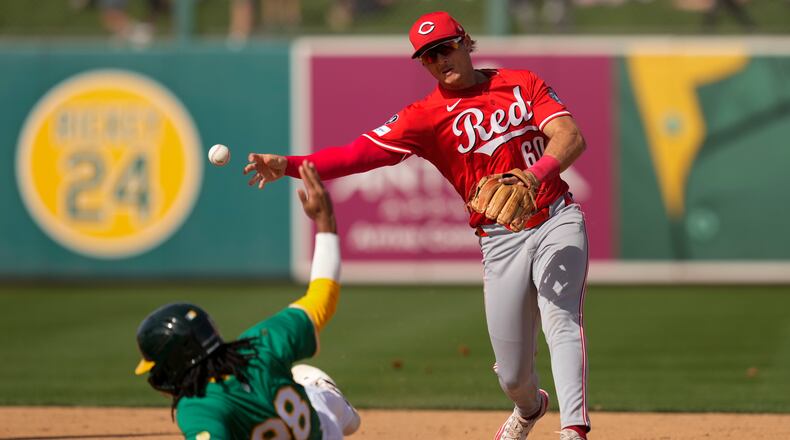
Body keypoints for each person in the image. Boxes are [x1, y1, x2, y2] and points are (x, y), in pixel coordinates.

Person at [243, 10, 591, 440]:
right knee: (513, 376)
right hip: (499, 241)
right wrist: (290, 165)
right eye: (427, 57)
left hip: (556, 215)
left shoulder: (521, 83)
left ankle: (573, 429)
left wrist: (534, 176)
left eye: (444, 48)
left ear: (465, 42)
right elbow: (357, 154)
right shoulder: (424, 117)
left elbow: (571, 136)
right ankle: (530, 405)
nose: (439, 60)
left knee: (561, 315)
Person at [134, 162, 361, 440]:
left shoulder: (196, 408)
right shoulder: (261, 344)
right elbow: (323, 296)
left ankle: (319, 390)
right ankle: (321, 390)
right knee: (311, 393)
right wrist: (326, 224)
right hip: (326, 434)